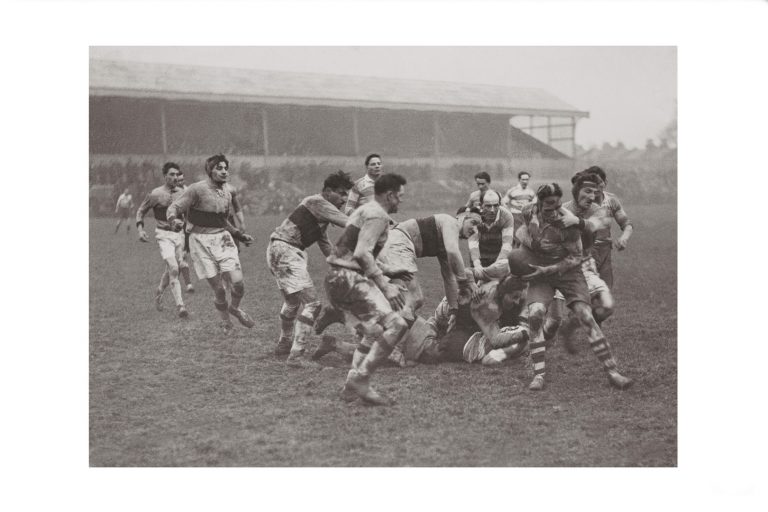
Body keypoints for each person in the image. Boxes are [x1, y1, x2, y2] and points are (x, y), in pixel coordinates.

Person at [516, 183, 633, 391]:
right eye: (547, 209)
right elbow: (519, 233)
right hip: (541, 271)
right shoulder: (529, 212)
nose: (553, 213)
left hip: (568, 271)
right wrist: (533, 245)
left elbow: (576, 257)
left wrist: (550, 268)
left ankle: (613, 372)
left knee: (585, 315)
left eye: (557, 206)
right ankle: (539, 375)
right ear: (538, 205)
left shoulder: (567, 222)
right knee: (535, 314)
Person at [324, 173, 408, 405]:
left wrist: (389, 270)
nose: (401, 201)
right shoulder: (378, 215)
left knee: (373, 332)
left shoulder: (364, 209)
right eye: (400, 197)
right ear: (390, 196)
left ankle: (351, 387)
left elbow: (354, 249)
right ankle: (361, 379)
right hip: (350, 278)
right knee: (397, 325)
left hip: (335, 278)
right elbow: (361, 253)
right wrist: (385, 285)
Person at [266, 170, 354, 366]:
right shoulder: (317, 202)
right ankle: (296, 356)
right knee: (313, 305)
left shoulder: (319, 214)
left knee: (292, 302)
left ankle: (284, 343)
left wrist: (342, 265)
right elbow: (348, 223)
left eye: (346, 195)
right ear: (328, 191)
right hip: (286, 251)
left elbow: (325, 245)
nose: (343, 198)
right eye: (341, 193)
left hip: (278, 249)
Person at [166, 154, 255, 332]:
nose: (224, 171)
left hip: (223, 239)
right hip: (199, 243)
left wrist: (239, 235)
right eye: (219, 168)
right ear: (210, 171)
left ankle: (235, 308)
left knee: (238, 283)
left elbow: (222, 221)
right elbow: (174, 207)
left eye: (225, 168)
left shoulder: (227, 193)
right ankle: (225, 322)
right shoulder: (196, 189)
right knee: (219, 289)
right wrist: (173, 220)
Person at [557, 173, 617, 353]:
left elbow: (593, 226)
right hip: (563, 267)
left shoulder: (599, 210)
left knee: (607, 307)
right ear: (576, 191)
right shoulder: (561, 209)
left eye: (595, 192)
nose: (592, 196)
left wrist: (575, 221)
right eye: (587, 191)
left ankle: (571, 324)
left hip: (586, 264)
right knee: (552, 321)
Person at [135, 162, 190, 317]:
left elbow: (188, 214)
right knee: (173, 268)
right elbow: (141, 211)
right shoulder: (155, 194)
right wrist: (140, 230)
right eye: (171, 174)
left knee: (173, 268)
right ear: (165, 176)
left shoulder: (183, 193)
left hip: (179, 235)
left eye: (176, 174)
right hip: (163, 235)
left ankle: (159, 291)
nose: (174, 177)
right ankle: (181, 306)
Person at [579, 166, 633, 289]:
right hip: (586, 252)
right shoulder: (581, 202)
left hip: (605, 252)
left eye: (599, 184)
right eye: (592, 185)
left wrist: (624, 238)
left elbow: (627, 224)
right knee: (587, 293)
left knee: (606, 291)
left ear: (605, 183)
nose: (596, 188)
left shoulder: (611, 201)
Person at [468, 189, 516, 269]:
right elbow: (473, 242)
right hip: (480, 253)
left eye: (496, 205)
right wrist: (477, 263)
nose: (492, 210)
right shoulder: (474, 216)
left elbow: (507, 243)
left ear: (500, 204)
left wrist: (498, 264)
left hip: (499, 253)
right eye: (488, 206)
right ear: (481, 205)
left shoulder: (507, 216)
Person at [175, 170, 194, 293]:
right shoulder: (170, 193)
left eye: (183, 179)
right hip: (174, 230)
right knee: (180, 256)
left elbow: (192, 208)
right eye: (178, 180)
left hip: (187, 229)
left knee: (183, 255)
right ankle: (188, 284)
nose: (181, 182)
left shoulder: (188, 191)